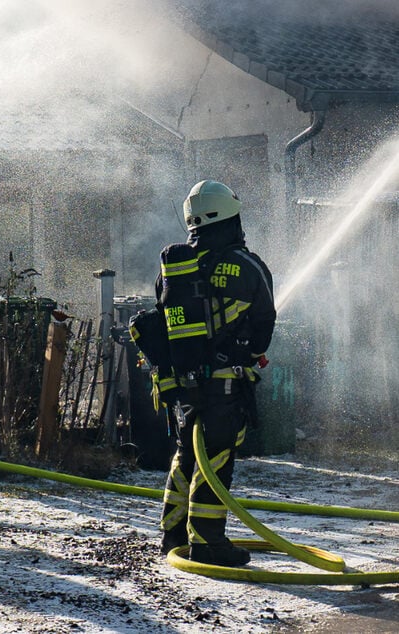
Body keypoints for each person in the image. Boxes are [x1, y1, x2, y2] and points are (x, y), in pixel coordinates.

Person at [157, 180, 276, 567]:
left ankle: (173, 534)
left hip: (184, 384)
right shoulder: (247, 265)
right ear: (231, 216)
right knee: (216, 458)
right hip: (226, 384)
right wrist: (252, 355)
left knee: (186, 455)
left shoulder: (174, 268)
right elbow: (264, 322)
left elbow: (162, 319)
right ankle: (208, 543)